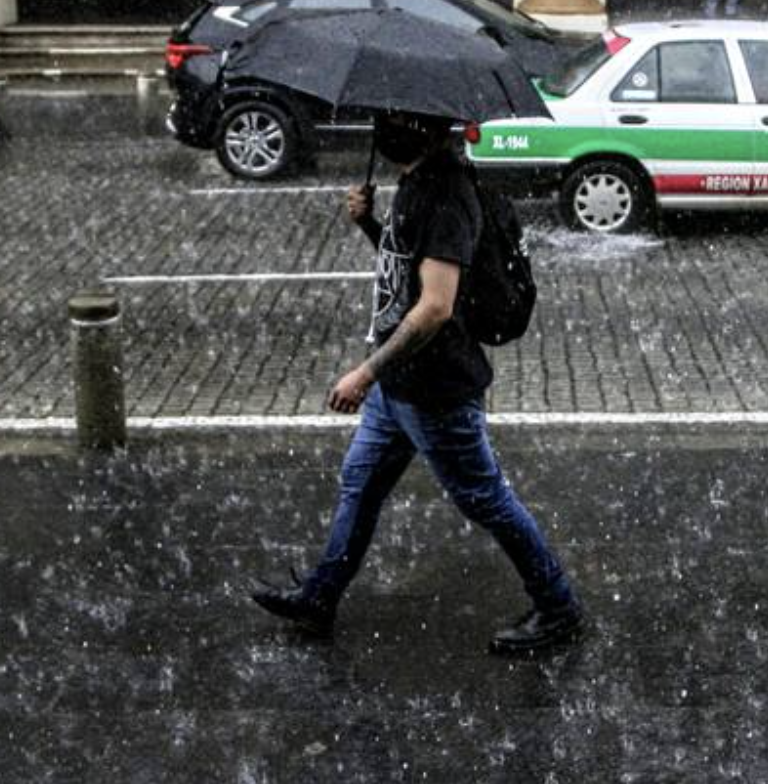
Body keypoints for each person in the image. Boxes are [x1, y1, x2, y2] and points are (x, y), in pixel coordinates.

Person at [250, 112, 583, 656]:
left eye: (389, 123)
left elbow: (434, 306)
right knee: (360, 486)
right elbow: (409, 267)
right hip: (398, 390)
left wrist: (366, 372)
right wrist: (368, 225)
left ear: (420, 128)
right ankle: (320, 595)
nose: (380, 132)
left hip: (436, 391)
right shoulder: (415, 183)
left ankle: (559, 606)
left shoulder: (448, 195)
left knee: (487, 500)